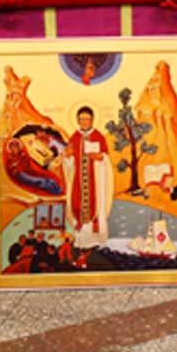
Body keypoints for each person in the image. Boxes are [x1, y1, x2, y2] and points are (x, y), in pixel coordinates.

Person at [63, 106, 114, 248]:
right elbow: (69, 164)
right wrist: (68, 157)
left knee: (96, 207)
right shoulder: (74, 137)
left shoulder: (99, 137)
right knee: (78, 207)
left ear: (92, 120)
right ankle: (81, 242)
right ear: (77, 120)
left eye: (87, 119)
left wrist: (100, 158)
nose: (84, 121)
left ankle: (97, 242)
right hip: (78, 183)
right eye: (81, 119)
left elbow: (106, 159)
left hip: (96, 182)